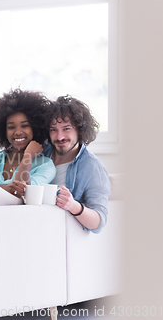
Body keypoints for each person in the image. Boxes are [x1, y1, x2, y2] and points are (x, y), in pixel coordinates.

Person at [43, 96, 111, 233]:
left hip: (59, 235)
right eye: (53, 130)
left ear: (80, 130)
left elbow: (99, 221)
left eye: (66, 128)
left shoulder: (92, 167)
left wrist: (73, 205)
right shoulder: (41, 153)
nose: (59, 136)